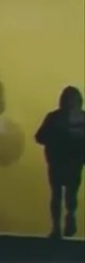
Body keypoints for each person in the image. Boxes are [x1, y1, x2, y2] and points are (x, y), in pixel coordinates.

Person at [35, 86, 85, 239]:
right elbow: (40, 137)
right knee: (61, 194)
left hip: (67, 162)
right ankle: (60, 224)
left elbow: (40, 137)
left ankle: (64, 222)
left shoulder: (55, 118)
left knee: (64, 194)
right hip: (63, 162)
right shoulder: (56, 118)